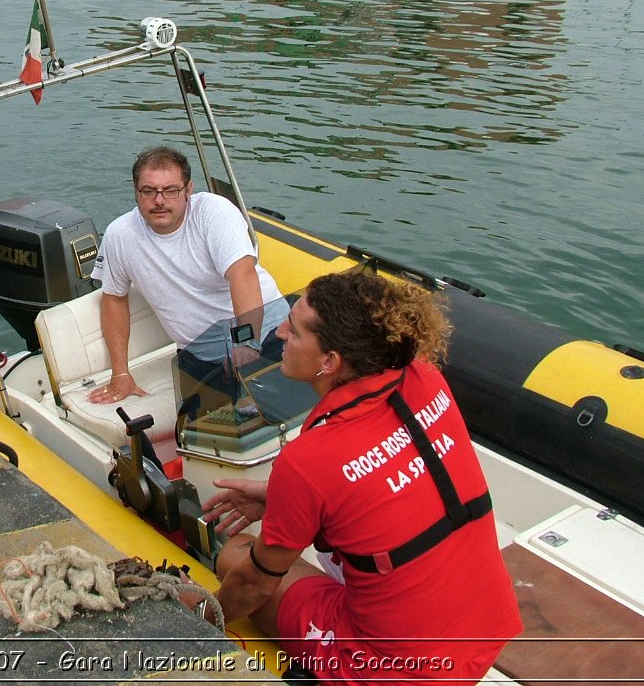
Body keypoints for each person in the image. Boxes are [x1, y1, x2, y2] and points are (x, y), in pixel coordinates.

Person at [201, 269, 521, 683]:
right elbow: (386, 479)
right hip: (486, 625)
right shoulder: (427, 379)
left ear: (330, 362)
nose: (279, 332)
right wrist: (278, 496)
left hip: (394, 671)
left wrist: (202, 618)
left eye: (294, 332)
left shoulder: (308, 460)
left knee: (236, 556)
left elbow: (253, 587)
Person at [87, 146, 287, 407]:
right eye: (149, 191)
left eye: (170, 190)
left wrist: (248, 343)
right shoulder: (119, 235)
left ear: (188, 190)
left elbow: (243, 276)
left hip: (269, 334)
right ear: (136, 192)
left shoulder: (214, 212)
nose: (159, 200)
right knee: (205, 436)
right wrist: (121, 373)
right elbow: (114, 299)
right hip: (199, 356)